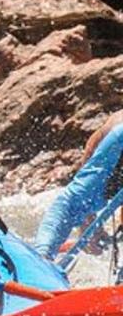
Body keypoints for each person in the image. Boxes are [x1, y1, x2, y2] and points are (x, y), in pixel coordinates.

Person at [34, 111, 123, 265]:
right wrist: (88, 222)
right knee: (77, 205)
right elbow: (68, 205)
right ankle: (42, 257)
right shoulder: (117, 138)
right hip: (112, 161)